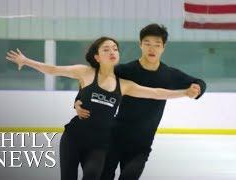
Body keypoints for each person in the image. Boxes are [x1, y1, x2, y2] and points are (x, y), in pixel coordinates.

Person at [6, 36, 199, 180]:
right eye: (106, 49)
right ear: (97, 56)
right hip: (73, 138)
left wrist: (184, 92)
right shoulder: (85, 72)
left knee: (92, 176)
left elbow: (156, 92)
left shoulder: (124, 84)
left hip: (99, 145)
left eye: (115, 48)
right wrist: (26, 61)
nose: (112, 52)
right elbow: (53, 70)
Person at [74, 24, 207, 180]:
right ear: (140, 45)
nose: (152, 49)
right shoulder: (125, 70)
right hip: (115, 137)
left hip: (142, 145)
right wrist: (79, 100)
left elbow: (198, 82)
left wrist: (197, 88)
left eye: (157, 45)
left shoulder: (169, 74)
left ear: (163, 47)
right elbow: (93, 78)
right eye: (147, 43)